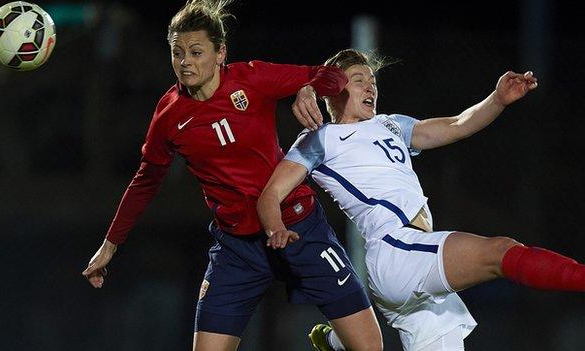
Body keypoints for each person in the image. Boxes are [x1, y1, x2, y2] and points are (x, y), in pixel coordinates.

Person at [81, 3, 384, 351]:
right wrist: (110, 245)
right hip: (238, 247)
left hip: (299, 227)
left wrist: (309, 87)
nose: (185, 62)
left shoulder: (252, 78)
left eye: (196, 52)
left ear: (220, 52)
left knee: (369, 347)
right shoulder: (169, 115)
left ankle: (331, 343)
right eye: (177, 53)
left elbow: (333, 76)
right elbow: (146, 180)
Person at [257, 48, 585, 351]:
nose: (370, 88)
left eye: (373, 82)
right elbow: (270, 194)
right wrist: (275, 228)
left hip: (415, 260)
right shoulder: (320, 138)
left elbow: (457, 125)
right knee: (499, 252)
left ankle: (336, 340)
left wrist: (496, 100)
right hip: (396, 251)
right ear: (333, 90)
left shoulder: (390, 125)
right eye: (359, 81)